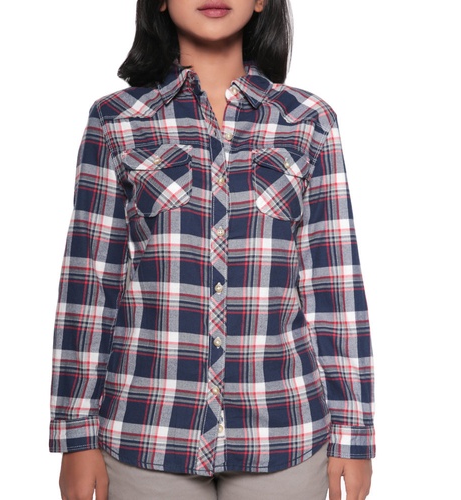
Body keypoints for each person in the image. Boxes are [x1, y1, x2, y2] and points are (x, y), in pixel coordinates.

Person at [49, 1, 375, 499]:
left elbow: (335, 288)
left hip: (283, 432)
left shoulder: (309, 121)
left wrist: (353, 433)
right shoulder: (115, 120)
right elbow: (90, 286)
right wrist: (76, 434)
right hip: (147, 431)